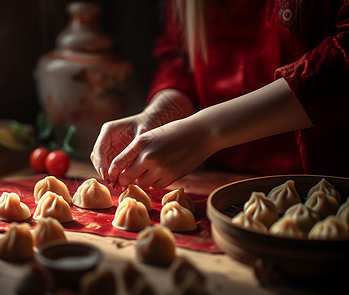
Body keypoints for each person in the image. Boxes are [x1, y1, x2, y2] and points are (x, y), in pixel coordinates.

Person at [90, 0, 349, 189]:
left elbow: (341, 65)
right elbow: (181, 60)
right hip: (219, 188)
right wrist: (157, 114)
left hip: (323, 187)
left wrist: (206, 132)